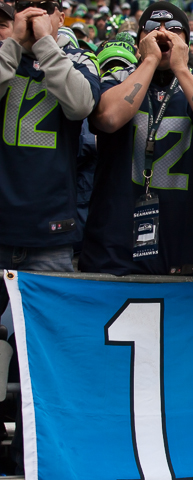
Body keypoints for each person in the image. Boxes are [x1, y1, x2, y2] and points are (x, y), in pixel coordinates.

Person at [81, 2, 193, 276]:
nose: (163, 35)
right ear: (140, 39)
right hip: (113, 243)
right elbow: (108, 119)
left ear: (187, 42)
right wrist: (150, 60)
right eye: (153, 29)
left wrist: (182, 69)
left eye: (175, 30)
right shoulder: (118, 77)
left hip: (180, 244)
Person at [0, 0, 100, 283]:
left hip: (50, 230)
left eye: (43, 6)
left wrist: (45, 43)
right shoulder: (3, 53)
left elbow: (81, 105)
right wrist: (13, 45)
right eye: (25, 6)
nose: (34, 13)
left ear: (61, 17)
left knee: (50, 327)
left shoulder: (81, 59)